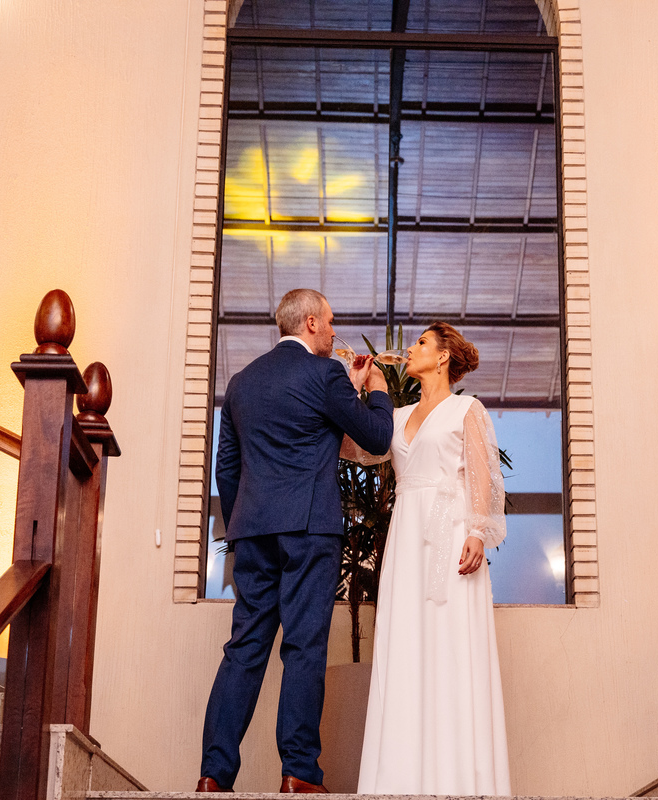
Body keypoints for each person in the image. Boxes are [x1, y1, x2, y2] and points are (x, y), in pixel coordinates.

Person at [197, 288, 392, 794]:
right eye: (329, 322)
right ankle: (299, 773)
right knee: (304, 647)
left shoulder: (241, 383)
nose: (333, 331)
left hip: (254, 530)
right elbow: (374, 436)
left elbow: (227, 469)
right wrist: (373, 387)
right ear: (309, 323)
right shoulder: (325, 374)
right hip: (309, 530)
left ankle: (214, 774)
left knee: (244, 649)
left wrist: (251, 518)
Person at [353, 321, 511, 795]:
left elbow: (483, 474)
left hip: (452, 531)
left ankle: (459, 778)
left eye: (422, 342)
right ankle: (401, 779)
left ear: (442, 357)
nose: (411, 348)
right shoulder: (397, 417)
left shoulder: (467, 409)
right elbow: (354, 449)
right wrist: (362, 385)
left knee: (450, 643)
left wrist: (479, 533)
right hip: (405, 538)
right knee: (406, 644)